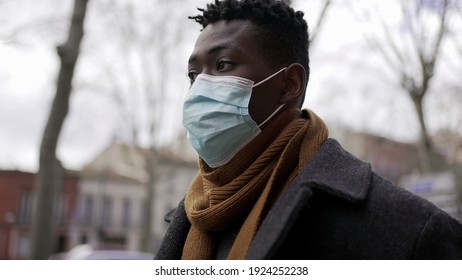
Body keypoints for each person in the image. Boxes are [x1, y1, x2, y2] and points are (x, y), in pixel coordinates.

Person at [155, 0, 462, 260]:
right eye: (194, 74)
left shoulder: (411, 232)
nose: (200, 88)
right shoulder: (190, 217)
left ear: (289, 84)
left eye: (222, 65)